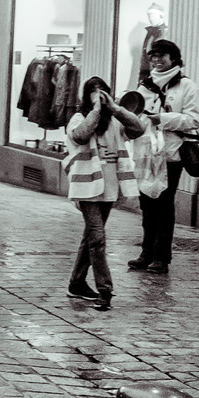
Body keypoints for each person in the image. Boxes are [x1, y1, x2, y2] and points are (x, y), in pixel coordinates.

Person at [126, 38, 199, 276]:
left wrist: (164, 119)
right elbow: (134, 117)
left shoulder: (186, 86)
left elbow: (194, 120)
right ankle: (146, 252)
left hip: (170, 154)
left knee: (163, 204)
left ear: (174, 58)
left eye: (161, 56)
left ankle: (161, 257)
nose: (157, 61)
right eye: (153, 57)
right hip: (145, 153)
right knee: (147, 205)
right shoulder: (144, 87)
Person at [65, 77, 142, 310]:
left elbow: (138, 129)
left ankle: (76, 283)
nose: (98, 95)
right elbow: (79, 135)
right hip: (87, 187)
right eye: (93, 92)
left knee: (91, 236)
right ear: (86, 95)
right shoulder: (79, 118)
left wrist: (115, 108)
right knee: (97, 239)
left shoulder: (115, 121)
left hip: (108, 187)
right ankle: (105, 290)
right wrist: (97, 110)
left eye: (103, 91)